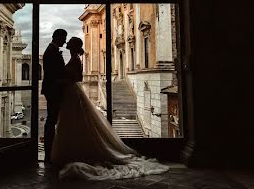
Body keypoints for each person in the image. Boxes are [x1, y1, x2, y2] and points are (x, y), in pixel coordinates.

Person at [50, 36, 169, 180]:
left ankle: (73, 151)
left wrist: (62, 81)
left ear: (73, 46)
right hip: (71, 93)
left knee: (73, 122)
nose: (66, 43)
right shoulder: (74, 58)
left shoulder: (75, 59)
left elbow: (78, 77)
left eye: (69, 42)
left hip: (72, 92)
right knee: (74, 122)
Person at [41, 28, 68, 162]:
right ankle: (49, 151)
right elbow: (53, 74)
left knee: (52, 119)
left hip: (52, 89)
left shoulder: (51, 50)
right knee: (51, 120)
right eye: (64, 38)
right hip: (53, 89)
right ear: (57, 37)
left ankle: (50, 150)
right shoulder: (52, 51)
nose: (65, 41)